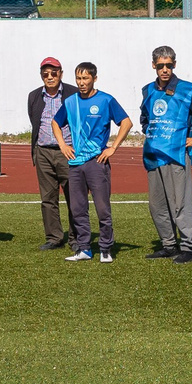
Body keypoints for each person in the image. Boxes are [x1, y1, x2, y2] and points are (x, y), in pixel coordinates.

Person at [136, 45, 192, 263]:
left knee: (180, 203)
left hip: (177, 155)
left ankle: (188, 247)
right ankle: (169, 245)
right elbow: (144, 118)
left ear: (174, 65)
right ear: (153, 65)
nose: (165, 70)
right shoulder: (148, 90)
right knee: (157, 204)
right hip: (153, 155)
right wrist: (151, 133)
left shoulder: (188, 89)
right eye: (160, 65)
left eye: (169, 65)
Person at [49, 62, 131, 262]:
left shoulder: (105, 100)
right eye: (78, 78)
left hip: (97, 162)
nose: (81, 82)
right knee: (78, 208)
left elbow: (126, 122)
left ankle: (105, 248)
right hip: (75, 164)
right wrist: (62, 145)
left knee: (102, 208)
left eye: (85, 78)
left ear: (94, 78)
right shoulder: (70, 102)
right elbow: (55, 122)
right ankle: (84, 248)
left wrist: (113, 148)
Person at [28, 58, 72, 248]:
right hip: (43, 151)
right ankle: (54, 237)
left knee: (74, 197)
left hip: (68, 152)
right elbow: (34, 120)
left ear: (61, 73)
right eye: (45, 73)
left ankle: (77, 237)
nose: (50, 77)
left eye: (53, 73)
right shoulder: (34, 96)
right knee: (48, 198)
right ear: (41, 76)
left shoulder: (73, 93)